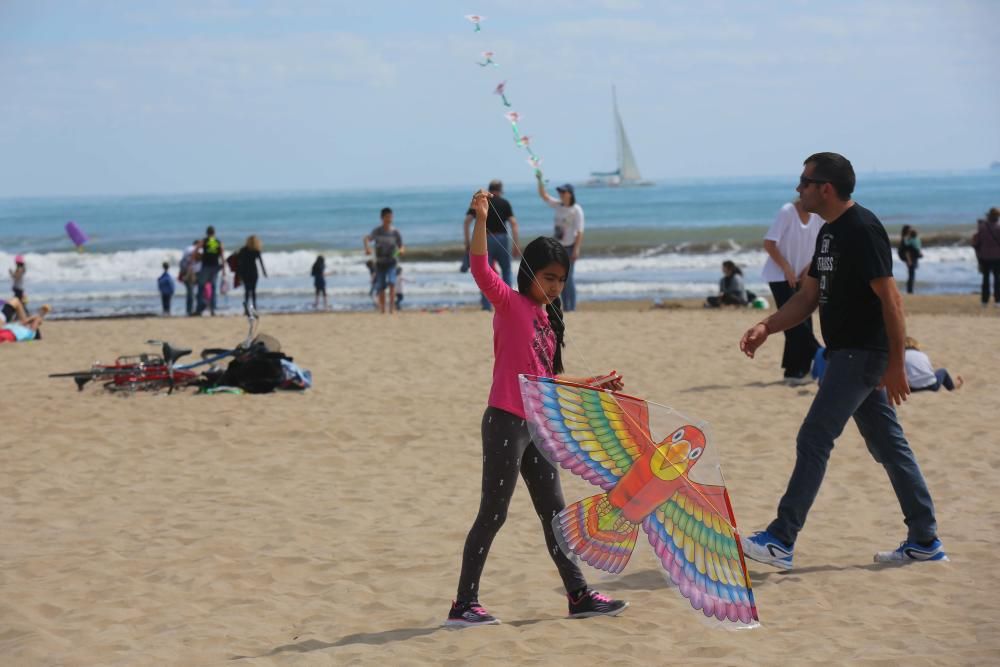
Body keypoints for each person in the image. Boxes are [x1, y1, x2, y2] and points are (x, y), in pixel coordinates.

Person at [738, 152, 946, 569]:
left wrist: (895, 363)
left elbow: (892, 300)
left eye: (804, 182)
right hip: (844, 356)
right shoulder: (828, 233)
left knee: (814, 437)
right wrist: (767, 325)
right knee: (889, 446)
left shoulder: (862, 229)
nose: (798, 189)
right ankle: (924, 540)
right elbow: (808, 297)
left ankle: (781, 538)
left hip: (862, 356)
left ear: (825, 189)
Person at [446, 189, 627, 627]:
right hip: (506, 422)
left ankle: (578, 596)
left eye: (561, 280)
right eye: (548, 278)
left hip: (538, 426)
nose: (555, 287)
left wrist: (593, 385)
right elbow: (479, 267)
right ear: (529, 273)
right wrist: (484, 221)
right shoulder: (510, 305)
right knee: (494, 512)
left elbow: (546, 380)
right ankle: (463, 604)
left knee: (555, 515)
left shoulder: (548, 318)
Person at [762, 199, 823, 384]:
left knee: (805, 321)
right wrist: (787, 268)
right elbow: (769, 244)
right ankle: (821, 354)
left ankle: (795, 371)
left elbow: (822, 245)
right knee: (792, 324)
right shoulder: (787, 211)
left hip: (803, 276)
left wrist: (809, 269)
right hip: (780, 276)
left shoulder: (819, 215)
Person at [463, 179, 521, 311]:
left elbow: (467, 222)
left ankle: (486, 305)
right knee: (506, 271)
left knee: (484, 273)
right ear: (501, 190)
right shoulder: (505, 203)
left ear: (489, 189)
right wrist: (516, 244)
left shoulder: (482, 202)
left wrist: (467, 242)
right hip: (502, 239)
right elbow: (514, 224)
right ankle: (507, 303)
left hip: (485, 239)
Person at [536, 175, 584, 311]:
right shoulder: (557, 205)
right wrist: (540, 180)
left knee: (568, 278)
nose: (561, 194)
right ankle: (566, 307)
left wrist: (576, 249)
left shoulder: (576, 210)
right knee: (559, 279)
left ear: (570, 194)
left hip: (569, 248)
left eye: (563, 192)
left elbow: (580, 231)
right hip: (556, 248)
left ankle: (572, 307)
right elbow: (543, 195)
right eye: (560, 192)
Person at [363, 207, 404, 314]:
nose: (389, 219)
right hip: (380, 263)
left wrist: (400, 251)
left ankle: (391, 309)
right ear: (382, 218)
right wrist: (367, 248)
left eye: (390, 217)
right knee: (381, 287)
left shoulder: (395, 232)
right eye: (387, 217)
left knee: (392, 283)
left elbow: (401, 246)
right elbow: (366, 238)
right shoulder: (377, 231)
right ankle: (382, 309)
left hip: (392, 262)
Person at [972, 207, 1000, 307]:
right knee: (997, 279)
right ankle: (997, 301)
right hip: (997, 257)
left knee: (985, 279)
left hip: (984, 257)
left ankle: (984, 301)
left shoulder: (982, 227)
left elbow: (977, 242)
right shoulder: (998, 228)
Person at [196, 226, 226, 316]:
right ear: (214, 233)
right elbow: (222, 255)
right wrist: (224, 269)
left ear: (207, 233)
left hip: (205, 266)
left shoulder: (204, 241)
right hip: (215, 266)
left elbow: (195, 250)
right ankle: (213, 309)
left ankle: (200, 309)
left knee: (201, 287)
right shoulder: (218, 241)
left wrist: (199, 257)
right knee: (213, 288)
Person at [236, 235, 267, 315]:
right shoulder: (256, 251)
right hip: (254, 272)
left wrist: (238, 274)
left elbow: (239, 263)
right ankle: (254, 308)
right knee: (253, 291)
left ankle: (246, 309)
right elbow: (261, 262)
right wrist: (264, 272)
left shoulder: (243, 250)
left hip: (245, 272)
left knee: (246, 291)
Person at [179, 240, 201, 316]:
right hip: (195, 273)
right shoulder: (193, 249)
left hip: (188, 273)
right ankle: (197, 310)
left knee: (190, 293)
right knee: (199, 293)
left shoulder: (187, 249)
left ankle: (189, 310)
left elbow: (182, 262)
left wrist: (181, 273)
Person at [900, 226, 922, 294]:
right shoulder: (912, 240)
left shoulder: (910, 240)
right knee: (911, 275)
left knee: (911, 275)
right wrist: (909, 260)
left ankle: (910, 290)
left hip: (912, 258)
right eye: (909, 231)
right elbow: (907, 252)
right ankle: (910, 291)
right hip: (911, 259)